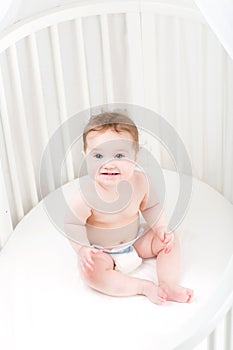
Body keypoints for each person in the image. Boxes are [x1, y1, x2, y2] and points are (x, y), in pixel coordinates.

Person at [64, 111, 193, 304]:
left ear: (135, 156)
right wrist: (83, 250)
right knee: (91, 274)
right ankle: (142, 287)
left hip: (136, 241)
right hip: (103, 252)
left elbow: (152, 207)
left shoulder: (141, 182)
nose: (109, 163)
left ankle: (167, 284)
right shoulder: (86, 195)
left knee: (170, 240)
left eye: (119, 155)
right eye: (98, 155)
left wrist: (160, 228)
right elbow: (72, 224)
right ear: (85, 156)